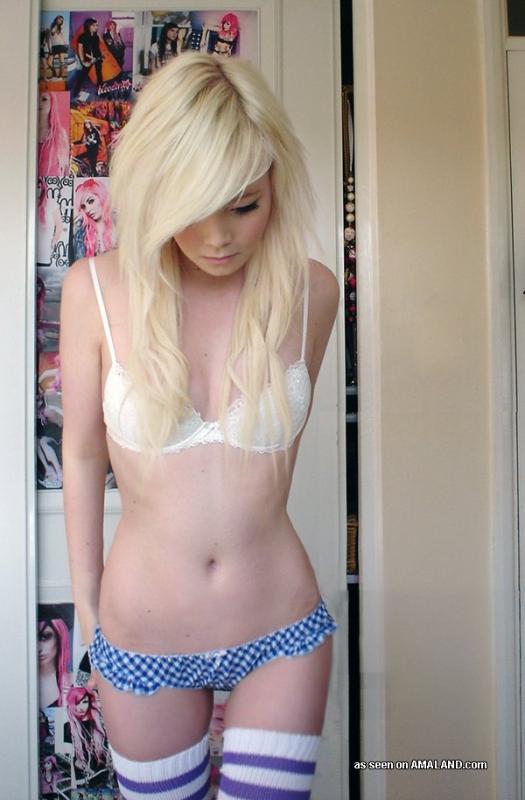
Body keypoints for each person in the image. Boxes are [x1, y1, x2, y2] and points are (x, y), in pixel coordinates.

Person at [60, 53, 339, 799]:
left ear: (275, 186)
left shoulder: (312, 293)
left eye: (243, 206)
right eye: (193, 206)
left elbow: (272, 469)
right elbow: (82, 454)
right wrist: (88, 603)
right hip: (142, 637)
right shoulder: (95, 290)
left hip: (281, 628)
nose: (218, 237)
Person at [65, 686, 110, 782]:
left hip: (103, 774)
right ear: (72, 704)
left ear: (90, 702)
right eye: (77, 703)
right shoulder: (67, 727)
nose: (81, 707)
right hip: (82, 778)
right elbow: (64, 757)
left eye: (85, 702)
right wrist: (76, 763)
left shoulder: (99, 723)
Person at [72, 178, 116, 259]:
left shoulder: (118, 224)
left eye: (91, 201)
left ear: (102, 196)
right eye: (83, 206)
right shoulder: (82, 232)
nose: (87, 210)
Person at [38, 616, 72, 708]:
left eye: (45, 637)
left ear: (60, 637)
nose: (38, 648)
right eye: (33, 639)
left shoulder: (74, 682)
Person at [48, 15, 68, 80]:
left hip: (60, 45)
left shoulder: (60, 28)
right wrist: (50, 47)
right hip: (54, 46)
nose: (60, 21)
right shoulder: (52, 26)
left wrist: (65, 43)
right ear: (56, 19)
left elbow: (62, 37)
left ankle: (61, 77)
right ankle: (55, 75)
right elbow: (50, 36)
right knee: (49, 62)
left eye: (61, 20)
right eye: (59, 19)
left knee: (62, 61)